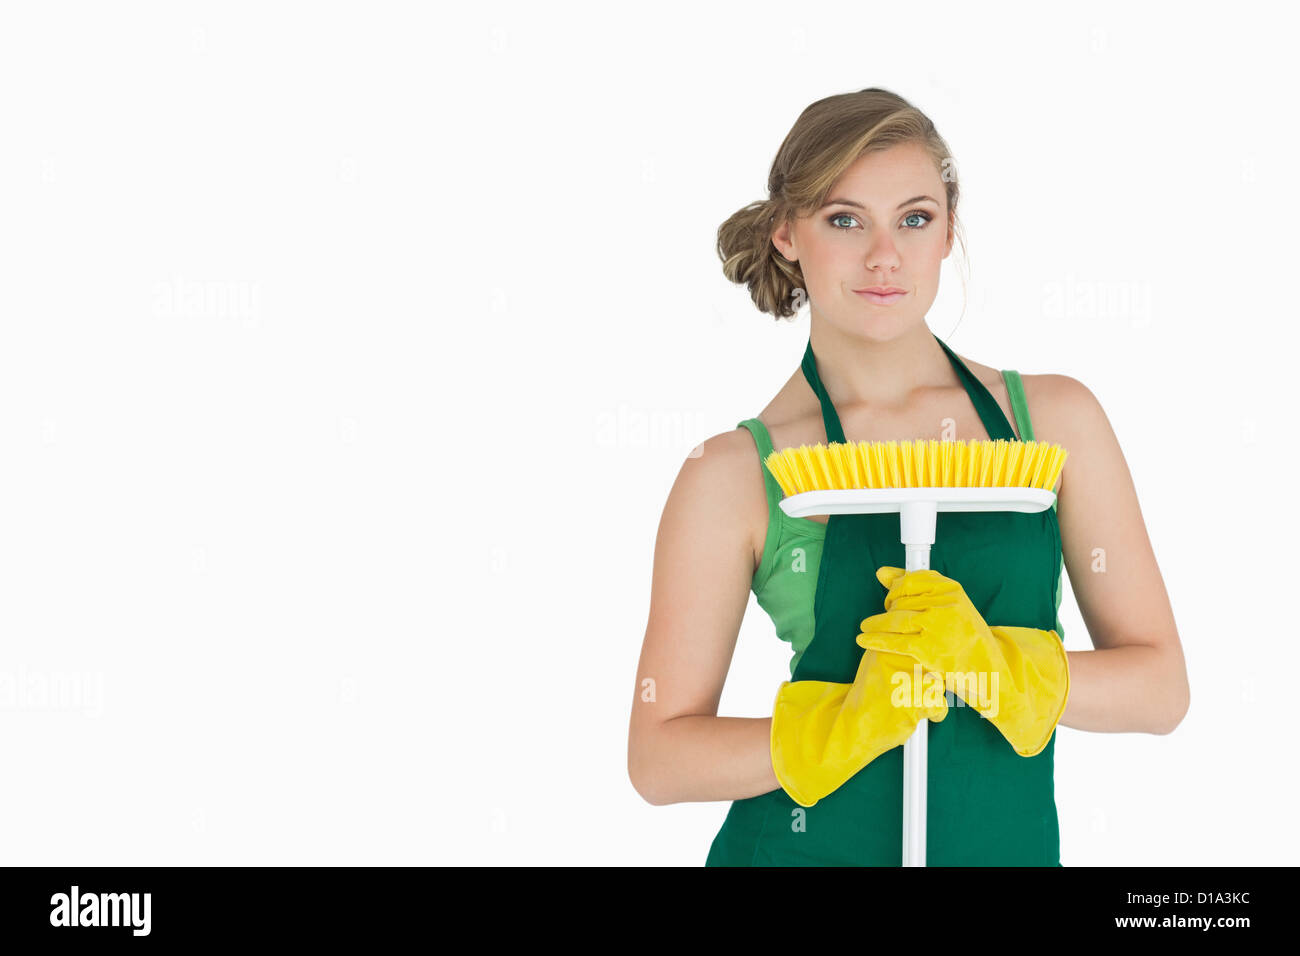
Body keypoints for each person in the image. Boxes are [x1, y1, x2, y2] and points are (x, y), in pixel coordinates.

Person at [626, 87, 1189, 866]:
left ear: (949, 230)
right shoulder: (734, 474)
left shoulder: (1052, 423)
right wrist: (835, 727)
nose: (884, 255)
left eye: (914, 219)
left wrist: (1001, 668)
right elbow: (659, 759)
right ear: (787, 234)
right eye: (844, 219)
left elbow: (1162, 690)